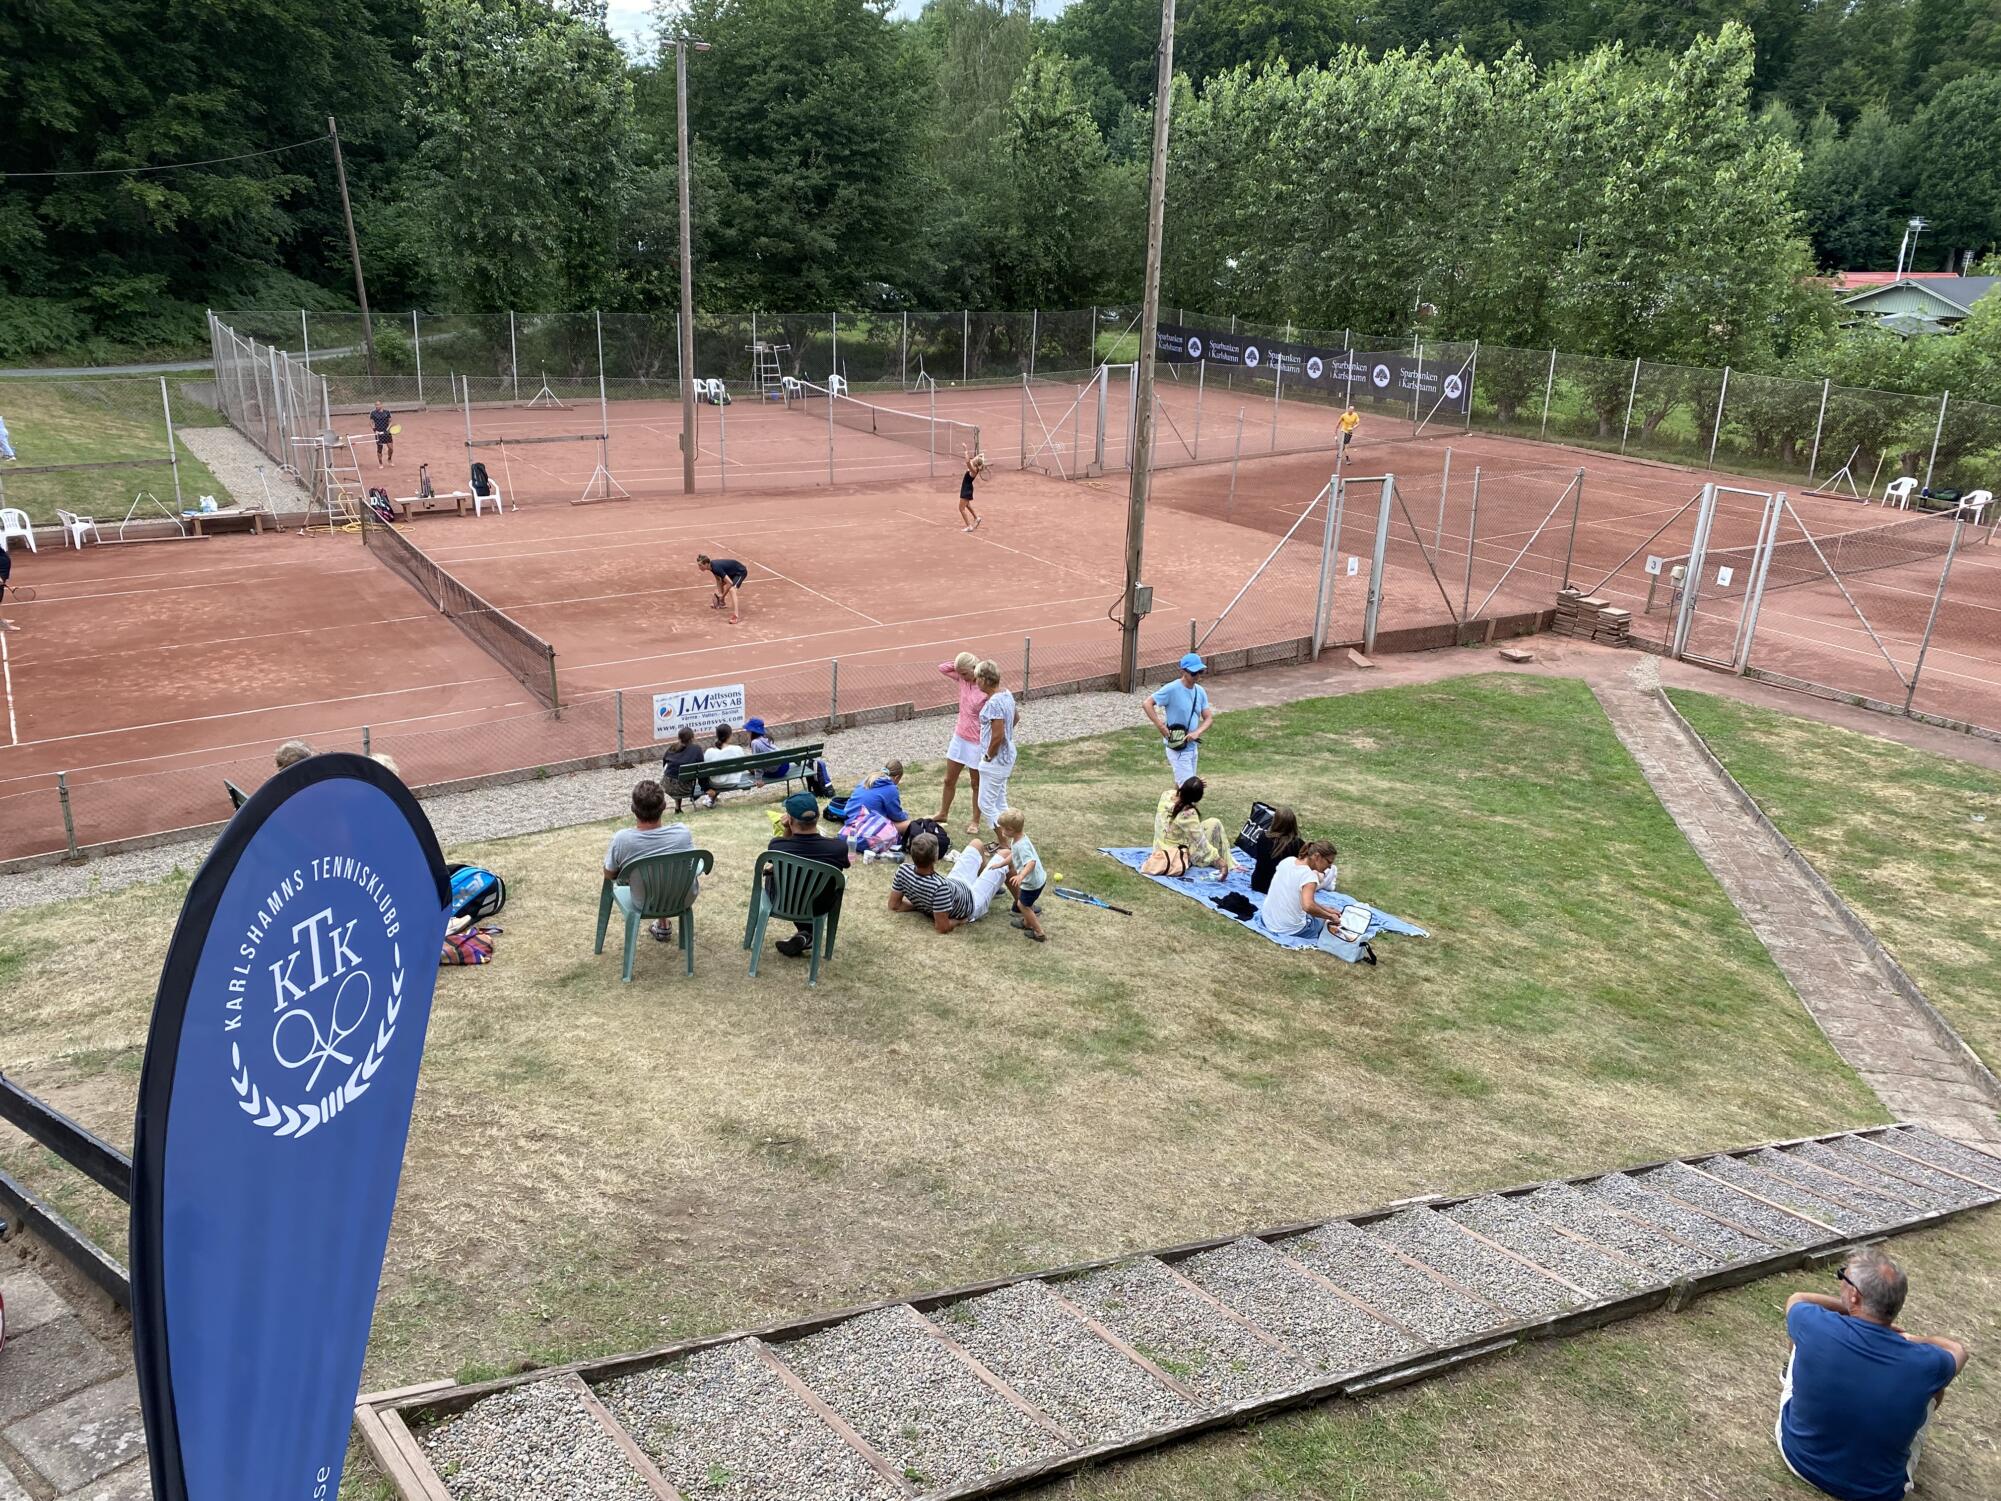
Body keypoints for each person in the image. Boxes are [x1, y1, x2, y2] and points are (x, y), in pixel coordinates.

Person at [1777, 1247, 1967, 1501]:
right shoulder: (1926, 1361)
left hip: (1799, 1459)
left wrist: (1844, 1309)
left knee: (1802, 1341)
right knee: (1935, 1385)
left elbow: (1798, 1299)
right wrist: (1913, 1338)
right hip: (1878, 1492)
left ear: (1854, 1295)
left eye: (1843, 1277)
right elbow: (1958, 1350)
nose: (1841, 1281)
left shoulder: (1814, 1323)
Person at [601, 779, 697, 943]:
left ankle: (662, 924)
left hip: (644, 901)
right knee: (665, 875)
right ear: (664, 806)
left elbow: (609, 874)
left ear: (633, 809)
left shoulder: (622, 839)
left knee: (649, 880)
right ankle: (663, 924)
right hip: (682, 898)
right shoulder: (682, 833)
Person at [764, 791, 850, 958]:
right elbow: (843, 866)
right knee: (820, 885)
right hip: (818, 905)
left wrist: (786, 830)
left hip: (782, 901)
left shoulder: (777, 846)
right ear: (817, 817)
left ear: (789, 819)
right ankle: (806, 935)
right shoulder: (838, 848)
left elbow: (786, 848)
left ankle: (805, 935)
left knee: (776, 875)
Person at [888, 832, 1011, 933]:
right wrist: (959, 921)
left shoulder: (903, 870)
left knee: (976, 843)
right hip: (972, 902)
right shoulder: (939, 887)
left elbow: (894, 905)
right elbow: (942, 927)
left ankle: (985, 885)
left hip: (955, 884)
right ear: (935, 858)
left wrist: (920, 905)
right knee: (1006, 855)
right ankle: (1021, 906)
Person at [934, 652, 989, 826]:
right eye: (960, 673)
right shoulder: (963, 679)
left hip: (977, 742)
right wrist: (960, 666)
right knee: (949, 780)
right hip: (959, 737)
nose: (962, 677)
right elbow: (943, 668)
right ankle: (943, 813)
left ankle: (975, 820)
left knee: (976, 784)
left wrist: (977, 669)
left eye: (965, 673)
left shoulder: (985, 688)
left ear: (976, 669)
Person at [1144, 653, 1215, 783]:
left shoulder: (1200, 691)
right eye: (1194, 673)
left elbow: (1209, 718)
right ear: (1183, 671)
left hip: (1192, 748)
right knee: (1188, 789)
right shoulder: (1172, 689)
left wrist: (1197, 732)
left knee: (1182, 787)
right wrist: (1161, 726)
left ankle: (1174, 803)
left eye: (1200, 672)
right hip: (1178, 748)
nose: (1198, 676)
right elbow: (1147, 703)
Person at [1151, 777, 1240, 878]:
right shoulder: (1188, 813)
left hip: (1158, 848)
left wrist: (1193, 785)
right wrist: (1221, 862)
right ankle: (1231, 864)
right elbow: (1202, 844)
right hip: (1175, 855)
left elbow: (1181, 794)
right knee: (1215, 824)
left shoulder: (1166, 794)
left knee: (1208, 826)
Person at [1258, 841, 1341, 939]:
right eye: (1329, 862)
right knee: (1328, 921)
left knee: (1325, 911)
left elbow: (1303, 901)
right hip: (1287, 929)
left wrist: (1327, 910)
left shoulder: (1288, 861)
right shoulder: (1309, 877)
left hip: (1267, 919)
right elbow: (1308, 906)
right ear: (1317, 857)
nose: (1330, 866)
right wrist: (1330, 916)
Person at [973, 659, 1017, 837]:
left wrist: (988, 756)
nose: (976, 682)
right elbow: (1016, 718)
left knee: (985, 804)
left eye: (977, 678)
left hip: (996, 761)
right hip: (1006, 757)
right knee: (1000, 802)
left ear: (984, 679)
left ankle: (1003, 842)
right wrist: (1007, 735)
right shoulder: (1007, 695)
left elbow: (997, 735)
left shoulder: (993, 703)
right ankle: (1012, 836)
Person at [994, 807, 1047, 942]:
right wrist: (1001, 864)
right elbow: (1014, 854)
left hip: (1032, 883)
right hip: (1038, 879)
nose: (1002, 831)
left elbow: (1031, 862)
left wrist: (1020, 876)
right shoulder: (1019, 839)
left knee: (1022, 905)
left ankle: (1039, 932)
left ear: (1011, 829)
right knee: (1025, 903)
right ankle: (1027, 922)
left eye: (1004, 829)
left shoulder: (1021, 845)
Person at [847, 762, 913, 839]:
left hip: (850, 818)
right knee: (909, 824)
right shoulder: (890, 788)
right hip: (865, 824)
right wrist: (905, 815)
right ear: (897, 777)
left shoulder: (868, 779)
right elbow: (897, 816)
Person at [1247, 806, 1303, 896]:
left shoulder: (1262, 837)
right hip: (1281, 889)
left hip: (1259, 884)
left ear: (1275, 821)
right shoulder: (1298, 844)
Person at [699, 724, 752, 806]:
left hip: (715, 784)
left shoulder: (709, 752)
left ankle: (710, 799)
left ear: (717, 736)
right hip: (733, 782)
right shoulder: (737, 749)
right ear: (730, 736)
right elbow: (742, 766)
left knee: (717, 776)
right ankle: (712, 799)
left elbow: (705, 770)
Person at [660, 724, 708, 812]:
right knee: (683, 779)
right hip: (685, 789)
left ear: (679, 738)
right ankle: (694, 798)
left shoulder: (672, 747)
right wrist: (704, 787)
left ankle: (678, 807)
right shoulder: (696, 749)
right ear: (692, 738)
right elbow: (701, 770)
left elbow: (664, 764)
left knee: (677, 776)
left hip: (667, 785)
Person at [696, 553, 747, 624]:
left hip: (740, 572)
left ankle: (735, 616)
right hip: (731, 573)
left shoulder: (716, 568)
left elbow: (730, 583)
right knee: (720, 586)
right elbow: (718, 580)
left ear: (706, 564)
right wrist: (719, 593)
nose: (699, 567)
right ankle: (722, 603)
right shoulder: (711, 567)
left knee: (732, 590)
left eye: (700, 565)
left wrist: (722, 596)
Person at [958, 449, 986, 532]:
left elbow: (967, 461)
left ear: (976, 462)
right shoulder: (975, 467)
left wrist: (965, 450)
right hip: (967, 488)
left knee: (961, 508)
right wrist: (980, 457)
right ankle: (977, 518)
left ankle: (969, 526)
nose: (974, 458)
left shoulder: (973, 469)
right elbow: (976, 458)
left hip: (966, 489)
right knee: (967, 505)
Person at [370, 401, 394, 467]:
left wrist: (387, 429)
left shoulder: (387, 412)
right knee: (379, 448)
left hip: (387, 433)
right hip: (379, 433)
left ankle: (389, 459)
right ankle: (380, 463)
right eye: (376, 405)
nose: (377, 406)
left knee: (391, 448)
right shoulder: (373, 413)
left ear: (381, 405)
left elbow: (391, 421)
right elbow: (371, 423)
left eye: (378, 405)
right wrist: (375, 430)